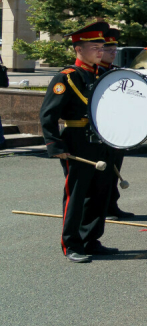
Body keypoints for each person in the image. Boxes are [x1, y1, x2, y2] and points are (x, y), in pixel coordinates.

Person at [39, 22, 112, 262]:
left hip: (102, 139)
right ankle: (71, 244)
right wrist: (55, 146)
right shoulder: (66, 77)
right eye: (94, 47)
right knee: (77, 193)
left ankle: (91, 239)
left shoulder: (103, 75)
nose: (100, 51)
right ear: (78, 49)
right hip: (77, 139)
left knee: (100, 192)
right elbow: (47, 115)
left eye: (102, 46)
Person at [98, 28, 132, 220]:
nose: (113, 53)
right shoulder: (96, 72)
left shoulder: (117, 72)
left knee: (115, 168)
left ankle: (112, 205)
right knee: (104, 172)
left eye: (114, 50)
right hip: (103, 129)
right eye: (109, 50)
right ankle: (103, 208)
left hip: (118, 129)